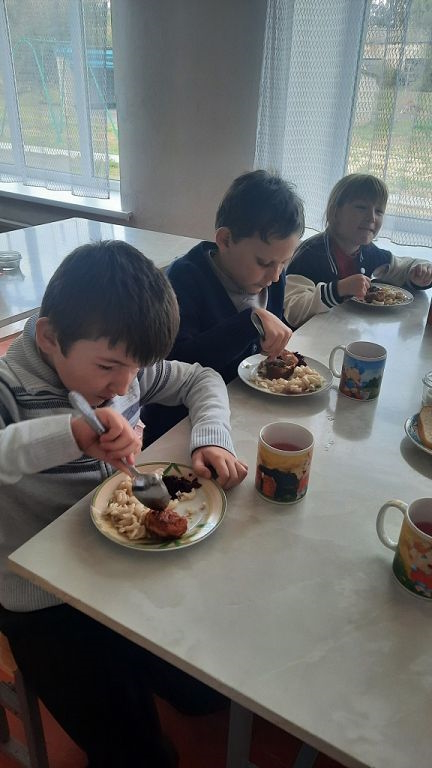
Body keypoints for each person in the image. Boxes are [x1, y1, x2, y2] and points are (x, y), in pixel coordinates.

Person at [0, 240, 248, 768]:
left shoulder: (125, 367)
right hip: (42, 598)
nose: (123, 386)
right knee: (139, 755)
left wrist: (211, 437)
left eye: (137, 368)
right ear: (49, 338)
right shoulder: (10, 389)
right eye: (110, 367)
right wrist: (70, 434)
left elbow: (201, 377)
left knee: (209, 693)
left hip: (119, 567)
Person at [144, 170, 305, 445]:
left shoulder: (273, 279)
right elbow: (176, 364)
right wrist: (249, 322)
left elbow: (261, 350)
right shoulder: (183, 280)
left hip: (244, 417)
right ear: (225, 240)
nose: (276, 275)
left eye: (284, 262)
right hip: (179, 429)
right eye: (264, 262)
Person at [284, 173, 432, 328]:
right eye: (361, 207)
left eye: (379, 211)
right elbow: (293, 311)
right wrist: (338, 289)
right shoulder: (310, 254)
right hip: (306, 339)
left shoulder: (367, 252)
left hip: (344, 333)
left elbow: (401, 268)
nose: (372, 218)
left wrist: (420, 272)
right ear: (335, 213)